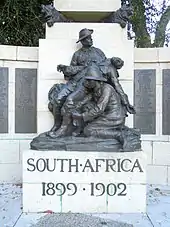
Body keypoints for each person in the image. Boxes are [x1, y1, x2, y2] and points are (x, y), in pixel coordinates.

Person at [49, 28, 135, 135]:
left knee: (70, 101)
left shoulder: (99, 53)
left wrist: (125, 100)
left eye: (90, 37)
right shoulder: (77, 54)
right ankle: (57, 124)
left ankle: (63, 129)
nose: (90, 39)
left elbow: (106, 72)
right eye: (88, 38)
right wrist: (66, 68)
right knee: (57, 99)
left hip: (86, 86)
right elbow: (71, 72)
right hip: (75, 82)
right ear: (82, 41)